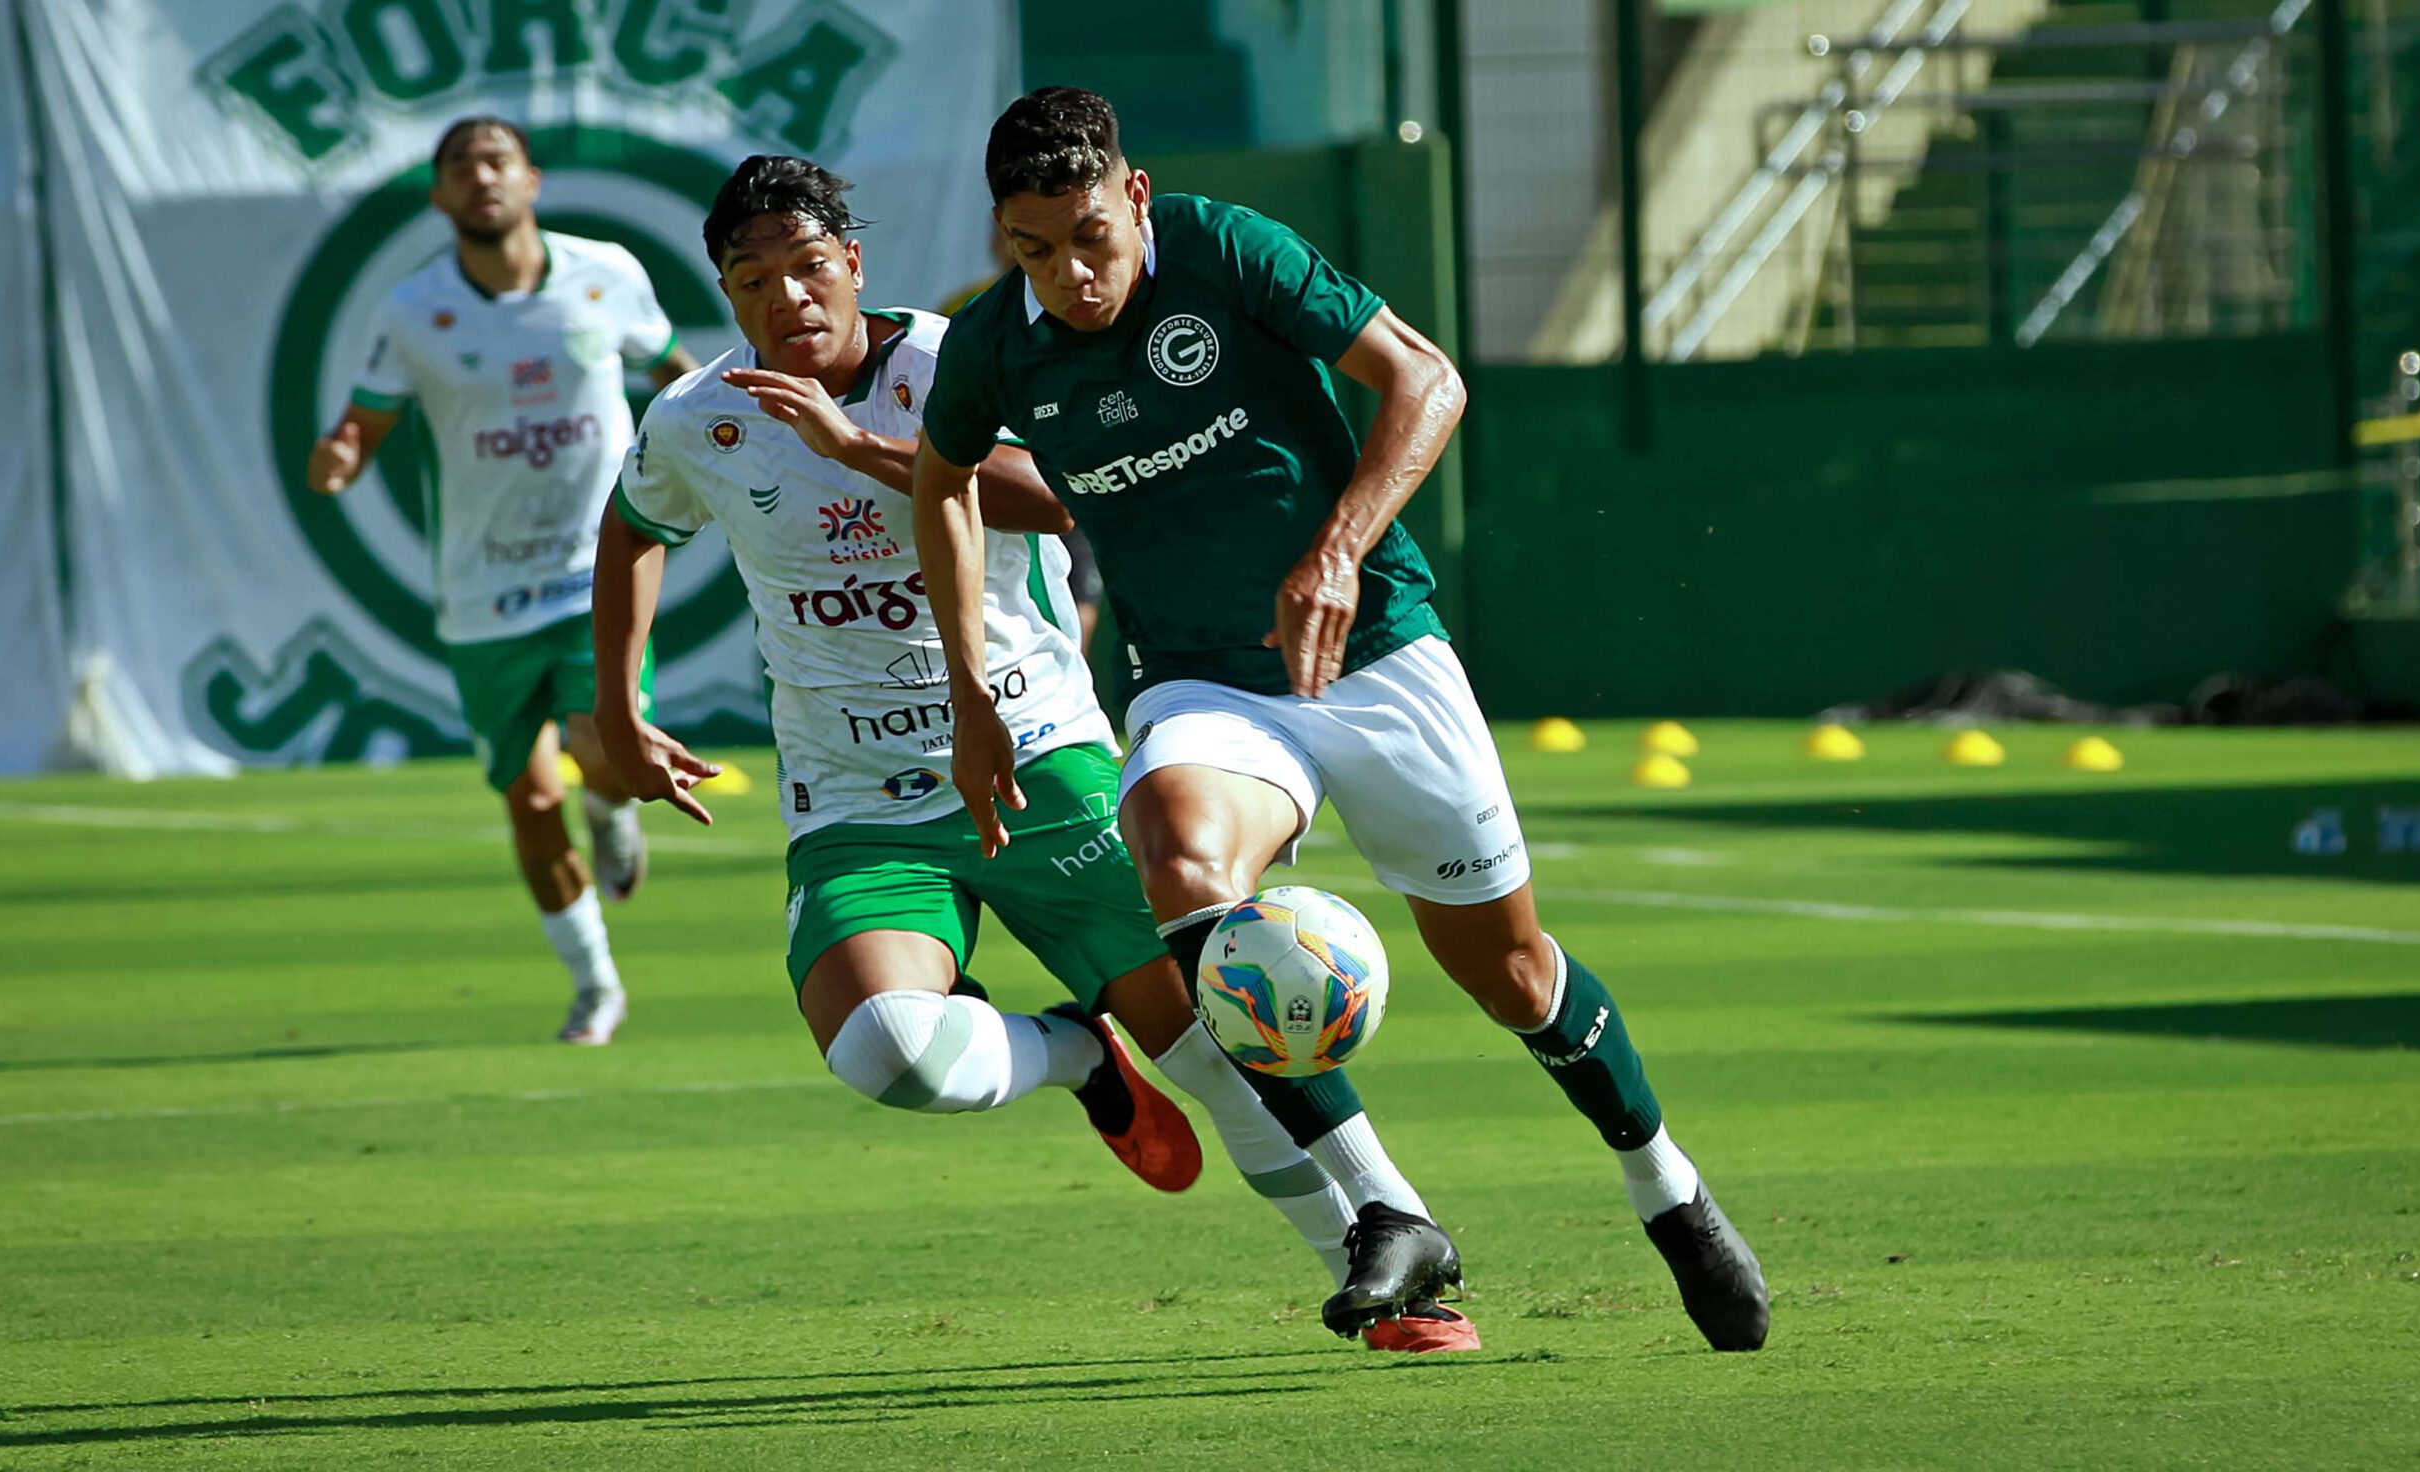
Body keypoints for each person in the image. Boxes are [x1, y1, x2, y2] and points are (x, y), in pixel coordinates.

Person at [913, 87, 1771, 1352]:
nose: (1073, 276)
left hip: (1374, 657)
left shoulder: (1225, 249)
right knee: (1178, 857)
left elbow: (1426, 379)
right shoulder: (998, 344)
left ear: (1134, 195)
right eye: (1036, 250)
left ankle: (1667, 1186)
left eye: (1091, 236)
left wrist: (1340, 548)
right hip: (1204, 683)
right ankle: (1385, 1204)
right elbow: (943, 483)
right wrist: (970, 691)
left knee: (1515, 977)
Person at [591, 154, 1473, 1352]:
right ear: (728, 295)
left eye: (807, 268)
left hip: (1034, 756)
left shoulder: (969, 358)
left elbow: (1054, 496)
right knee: (887, 1052)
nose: (786, 299)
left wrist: (856, 446)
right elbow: (633, 525)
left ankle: (1391, 1280)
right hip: (854, 797)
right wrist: (622, 699)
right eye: (753, 281)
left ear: (852, 264)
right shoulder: (703, 417)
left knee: (1224, 1044)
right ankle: (1072, 1048)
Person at [308, 116, 702, 1046]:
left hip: (591, 572)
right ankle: (596, 985)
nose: (481, 178)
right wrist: (339, 455)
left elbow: (673, 373)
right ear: (441, 195)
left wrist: (733, 423)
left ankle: (607, 803)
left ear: (531, 178)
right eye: (460, 166)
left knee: (600, 746)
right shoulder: (413, 310)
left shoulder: (604, 273)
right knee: (527, 799)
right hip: (480, 594)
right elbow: (363, 424)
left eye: (497, 161)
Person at [944, 233, 1108, 652]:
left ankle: (1073, 683)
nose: (1010, 250)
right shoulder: (964, 310)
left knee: (1078, 591)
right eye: (1006, 239)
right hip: (997, 471)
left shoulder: (1075, 300)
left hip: (1074, 467)